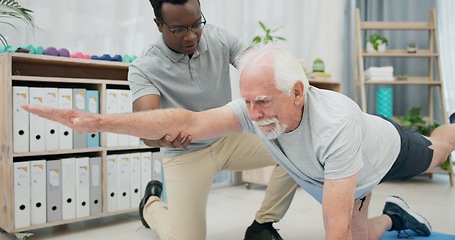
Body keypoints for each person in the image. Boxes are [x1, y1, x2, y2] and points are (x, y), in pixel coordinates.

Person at [21, 43, 455, 240]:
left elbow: (334, 230)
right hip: (350, 160)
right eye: (248, 101)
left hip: (386, 146)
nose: (254, 111)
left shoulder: (334, 126)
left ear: (298, 92)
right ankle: (397, 218)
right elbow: (190, 120)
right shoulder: (256, 109)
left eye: (263, 101)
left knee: (435, 154)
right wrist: (99, 120)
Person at [127, 0, 298, 239]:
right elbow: (145, 130)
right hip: (184, 154)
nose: (190, 36)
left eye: (196, 25)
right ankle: (151, 206)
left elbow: (258, 69)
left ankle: (263, 224)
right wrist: (165, 138)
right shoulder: (144, 67)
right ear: (159, 24)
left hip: (227, 141)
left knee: (295, 148)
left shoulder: (220, 38)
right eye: (178, 29)